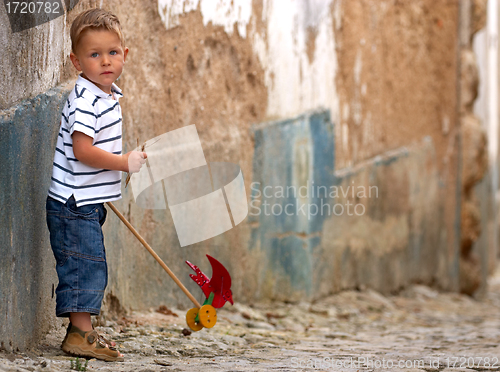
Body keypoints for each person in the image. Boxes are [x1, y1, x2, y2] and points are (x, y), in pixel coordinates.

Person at [45, 8, 146, 362]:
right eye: (94, 54)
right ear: (76, 61)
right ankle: (79, 336)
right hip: (72, 202)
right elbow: (83, 150)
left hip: (86, 199)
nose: (106, 61)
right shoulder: (86, 100)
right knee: (82, 264)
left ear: (125, 55)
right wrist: (124, 163)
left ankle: (82, 331)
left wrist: (105, 186)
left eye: (113, 53)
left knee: (88, 262)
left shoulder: (106, 95)